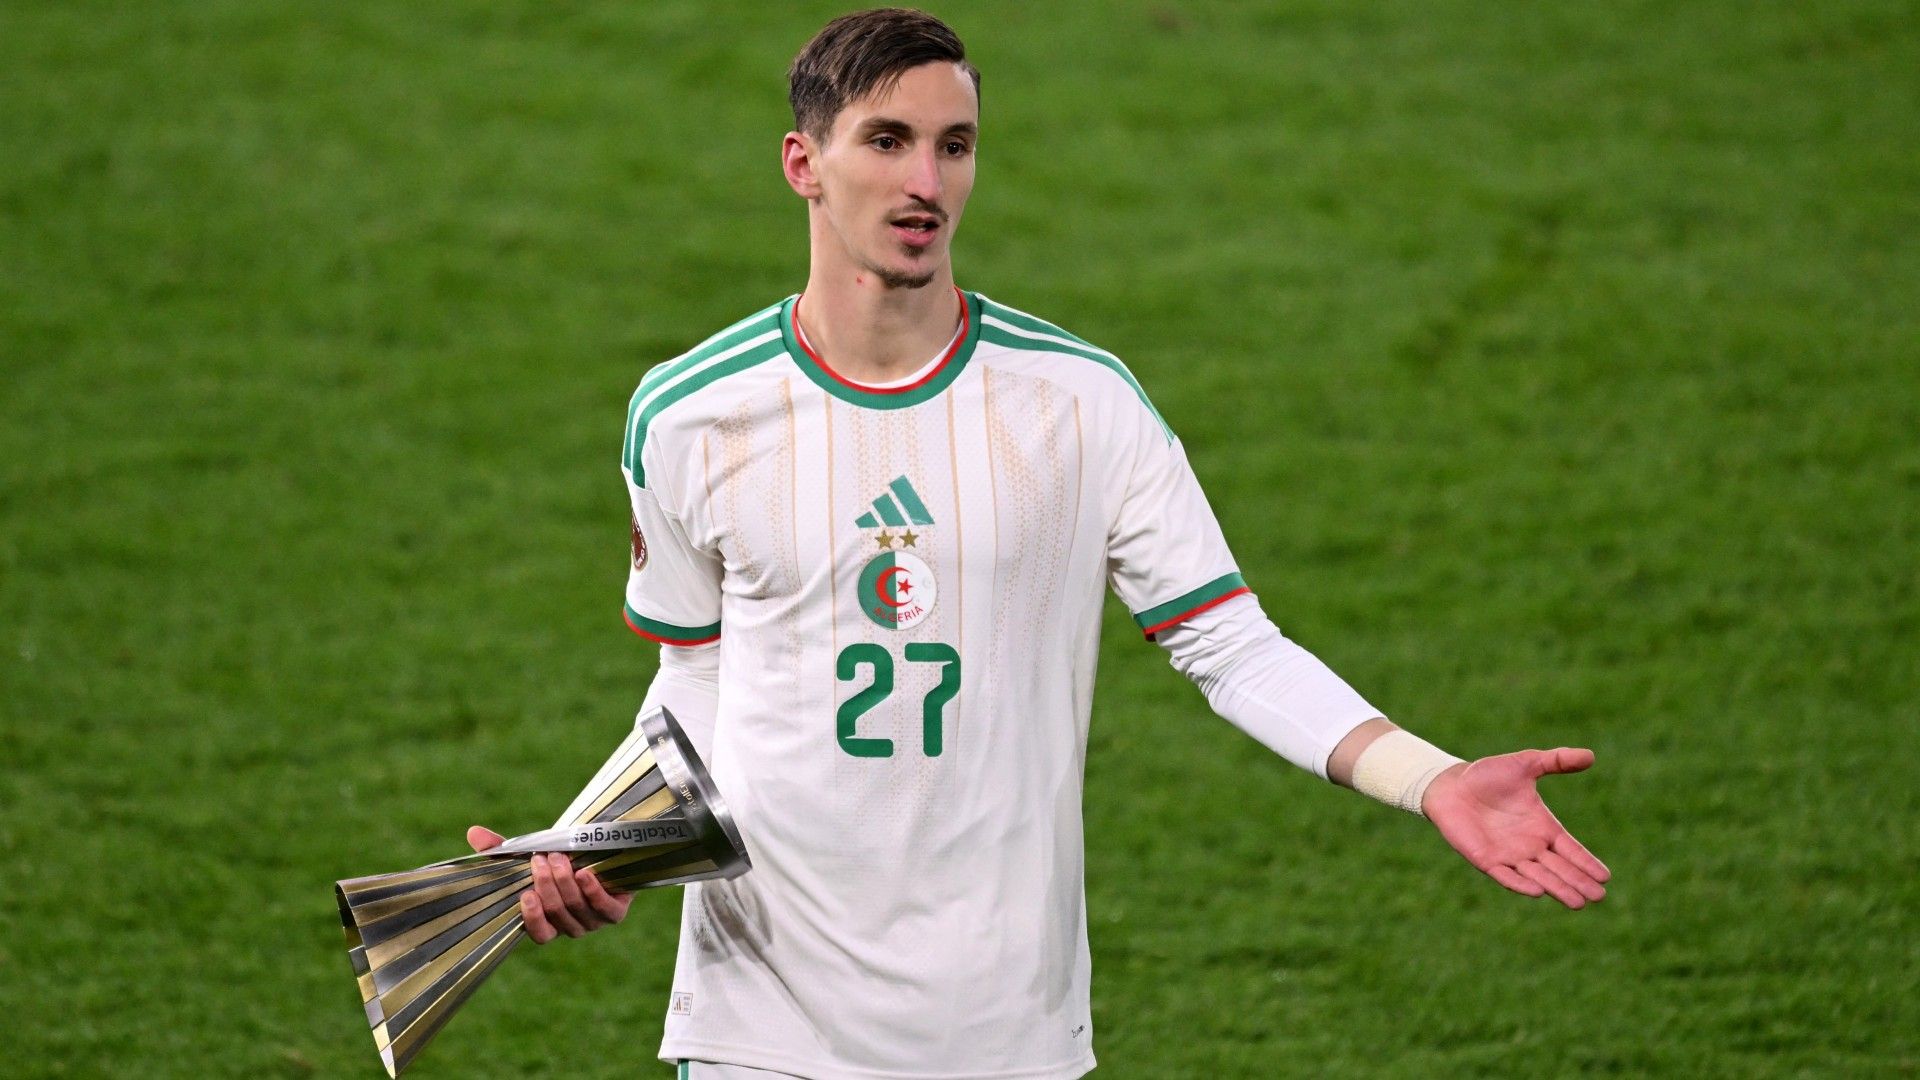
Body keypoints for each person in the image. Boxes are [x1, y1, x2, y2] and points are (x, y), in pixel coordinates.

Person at [469, 9, 1611, 1079]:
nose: (927, 182)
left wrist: (1432, 778)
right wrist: (600, 847)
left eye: (955, 145)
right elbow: (699, 673)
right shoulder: (688, 415)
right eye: (889, 140)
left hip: (1005, 1024)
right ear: (802, 164)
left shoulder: (1080, 403)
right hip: (759, 1024)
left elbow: (1231, 647)